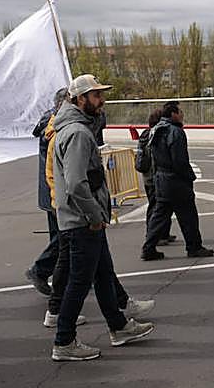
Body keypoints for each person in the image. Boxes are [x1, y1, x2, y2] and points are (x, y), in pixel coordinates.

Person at [51, 75, 155, 362]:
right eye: (96, 96)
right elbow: (75, 183)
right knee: (79, 282)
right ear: (79, 99)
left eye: (101, 94)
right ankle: (64, 340)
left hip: (82, 219)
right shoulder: (78, 133)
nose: (102, 100)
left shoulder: (77, 128)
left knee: (103, 273)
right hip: (82, 221)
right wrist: (95, 215)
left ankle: (119, 327)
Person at [139, 101, 214, 261]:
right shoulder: (175, 132)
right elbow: (180, 161)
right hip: (176, 181)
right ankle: (194, 247)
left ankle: (149, 247)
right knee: (188, 215)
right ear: (173, 113)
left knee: (159, 215)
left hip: (160, 179)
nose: (182, 114)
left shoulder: (156, 130)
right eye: (180, 111)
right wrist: (189, 177)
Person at [25, 88, 71, 297]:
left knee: (62, 237)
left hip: (50, 190)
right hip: (55, 190)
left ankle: (67, 278)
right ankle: (40, 270)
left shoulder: (49, 122)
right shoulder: (56, 126)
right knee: (65, 238)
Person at [136, 109, 176, 247]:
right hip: (155, 177)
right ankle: (153, 235)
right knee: (156, 207)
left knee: (160, 206)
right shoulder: (155, 135)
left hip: (148, 176)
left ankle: (163, 233)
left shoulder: (145, 134)